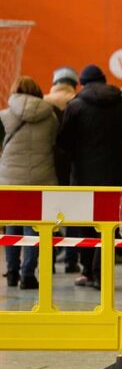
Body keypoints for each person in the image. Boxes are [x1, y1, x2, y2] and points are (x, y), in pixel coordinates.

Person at [58, 64, 122, 289]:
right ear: (104, 80)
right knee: (110, 225)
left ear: (82, 84)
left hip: (84, 177)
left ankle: (89, 273)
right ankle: (101, 273)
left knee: (86, 225)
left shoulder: (75, 106)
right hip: (116, 176)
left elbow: (62, 143)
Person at [0, 76, 59, 289]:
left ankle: (12, 272)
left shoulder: (4, 117)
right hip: (40, 179)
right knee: (34, 228)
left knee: (12, 226)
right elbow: (54, 144)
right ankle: (28, 275)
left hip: (9, 181)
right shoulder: (50, 117)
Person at [44, 66, 78, 272]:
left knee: (48, 216)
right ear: (74, 83)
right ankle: (71, 261)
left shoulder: (43, 101)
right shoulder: (77, 101)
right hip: (72, 167)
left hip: (47, 166)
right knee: (73, 215)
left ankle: (49, 262)